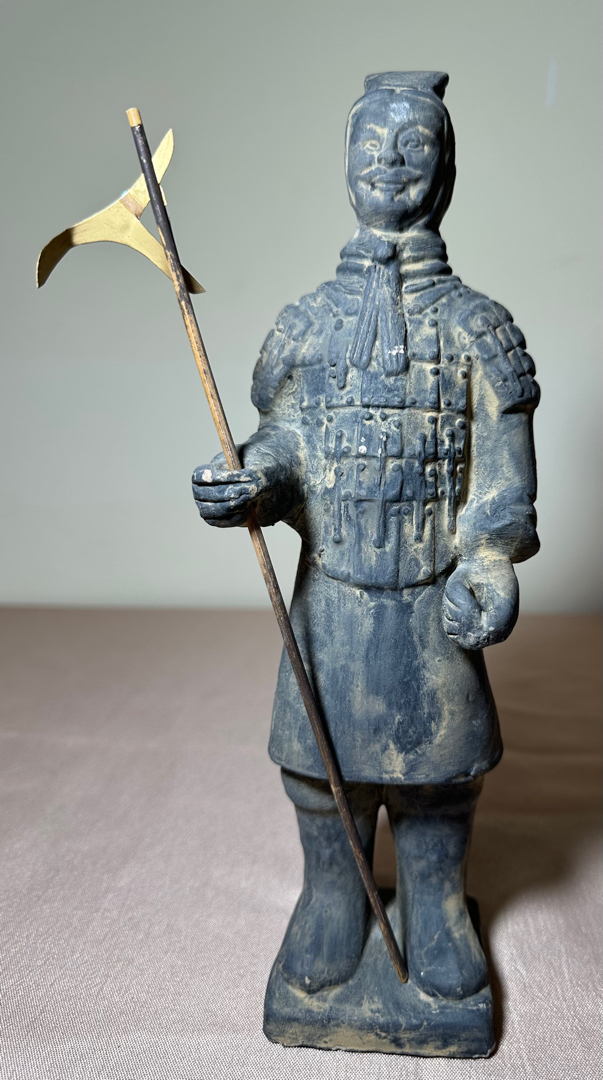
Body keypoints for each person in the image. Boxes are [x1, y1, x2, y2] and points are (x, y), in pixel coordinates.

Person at [192, 71, 539, 1003]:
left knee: (436, 777)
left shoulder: (476, 326)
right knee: (321, 769)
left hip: (429, 599)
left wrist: (488, 559)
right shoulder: (309, 323)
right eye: (370, 144)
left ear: (446, 168)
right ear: (343, 163)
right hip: (334, 596)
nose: (389, 161)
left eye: (414, 144)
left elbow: (502, 476)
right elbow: (287, 440)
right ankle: (333, 895)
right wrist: (251, 479)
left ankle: (435, 903)